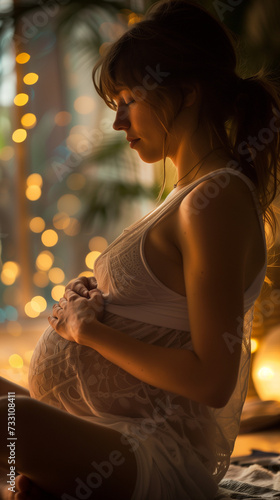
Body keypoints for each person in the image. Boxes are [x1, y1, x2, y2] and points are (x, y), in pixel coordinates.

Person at [1, 0, 280, 498]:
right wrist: (101, 301)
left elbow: (212, 378)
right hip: (98, 431)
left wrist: (89, 331)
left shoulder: (214, 200)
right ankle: (38, 477)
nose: (118, 122)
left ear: (188, 93)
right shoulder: (185, 195)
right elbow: (162, 315)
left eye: (129, 99)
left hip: (146, 456)